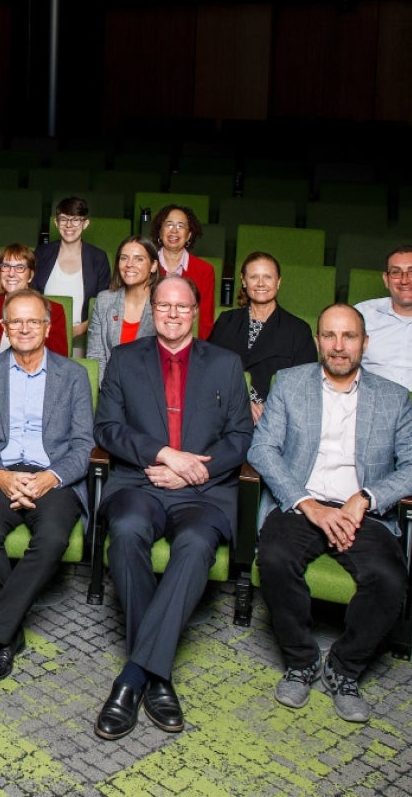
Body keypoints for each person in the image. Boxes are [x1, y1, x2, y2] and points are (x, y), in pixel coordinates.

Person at [92, 275, 252, 741]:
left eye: (182, 306)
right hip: (141, 481)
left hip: (203, 490)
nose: (173, 313)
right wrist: (164, 456)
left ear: (196, 311)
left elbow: (241, 437)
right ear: (153, 311)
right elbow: (108, 429)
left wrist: (190, 470)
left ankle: (135, 676)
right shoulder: (124, 360)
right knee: (125, 530)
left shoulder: (226, 364)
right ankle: (159, 675)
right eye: (164, 305)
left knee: (197, 542)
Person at [249, 303, 412, 723]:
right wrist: (308, 504)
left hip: (364, 513)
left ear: (364, 343)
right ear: (318, 340)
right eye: (330, 336)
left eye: (349, 337)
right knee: (275, 559)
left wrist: (366, 498)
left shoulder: (395, 398)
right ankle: (302, 660)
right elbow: (262, 449)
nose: (339, 347)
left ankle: (344, 668)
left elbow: (411, 465)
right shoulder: (290, 383)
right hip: (303, 502)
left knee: (390, 578)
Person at [0, 289, 94, 682]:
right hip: (1, 472)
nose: (25, 328)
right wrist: (1, 476)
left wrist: (50, 478)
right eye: (16, 321)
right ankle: (9, 637)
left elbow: (82, 445)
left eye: (34, 321)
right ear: (4, 327)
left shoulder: (73, 375)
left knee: (54, 537)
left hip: (54, 475)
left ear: (48, 326)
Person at [209, 252, 317, 424]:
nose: (260, 283)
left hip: (276, 420)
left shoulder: (299, 330)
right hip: (225, 415)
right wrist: (243, 403)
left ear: (278, 281)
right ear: (243, 281)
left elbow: (304, 386)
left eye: (267, 277)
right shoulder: (226, 321)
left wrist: (270, 409)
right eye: (254, 277)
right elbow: (209, 372)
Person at [0, 244, 67, 382]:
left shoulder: (54, 311)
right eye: (5, 266)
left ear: (31, 275)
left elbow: (59, 366)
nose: (11, 273)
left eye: (20, 267)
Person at [32, 196, 112, 345]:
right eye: (64, 219)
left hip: (82, 336)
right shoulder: (42, 253)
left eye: (76, 219)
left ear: (85, 223)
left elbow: (104, 302)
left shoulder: (98, 258)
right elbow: (31, 292)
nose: (69, 225)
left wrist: (81, 329)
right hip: (42, 334)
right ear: (56, 223)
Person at [87, 236, 161, 384]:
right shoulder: (104, 301)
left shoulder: (163, 305)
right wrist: (111, 391)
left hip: (152, 390)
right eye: (124, 258)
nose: (129, 264)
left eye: (139, 259)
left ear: (153, 266)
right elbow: (96, 356)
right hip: (110, 388)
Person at [151, 204, 215, 339]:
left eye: (180, 226)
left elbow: (205, 322)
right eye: (169, 225)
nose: (174, 231)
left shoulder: (205, 270)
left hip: (189, 343)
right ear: (160, 231)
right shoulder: (146, 264)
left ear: (189, 235)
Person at [356, 244, 412, 391]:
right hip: (372, 404)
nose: (405, 280)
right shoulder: (363, 314)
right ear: (386, 279)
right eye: (396, 272)